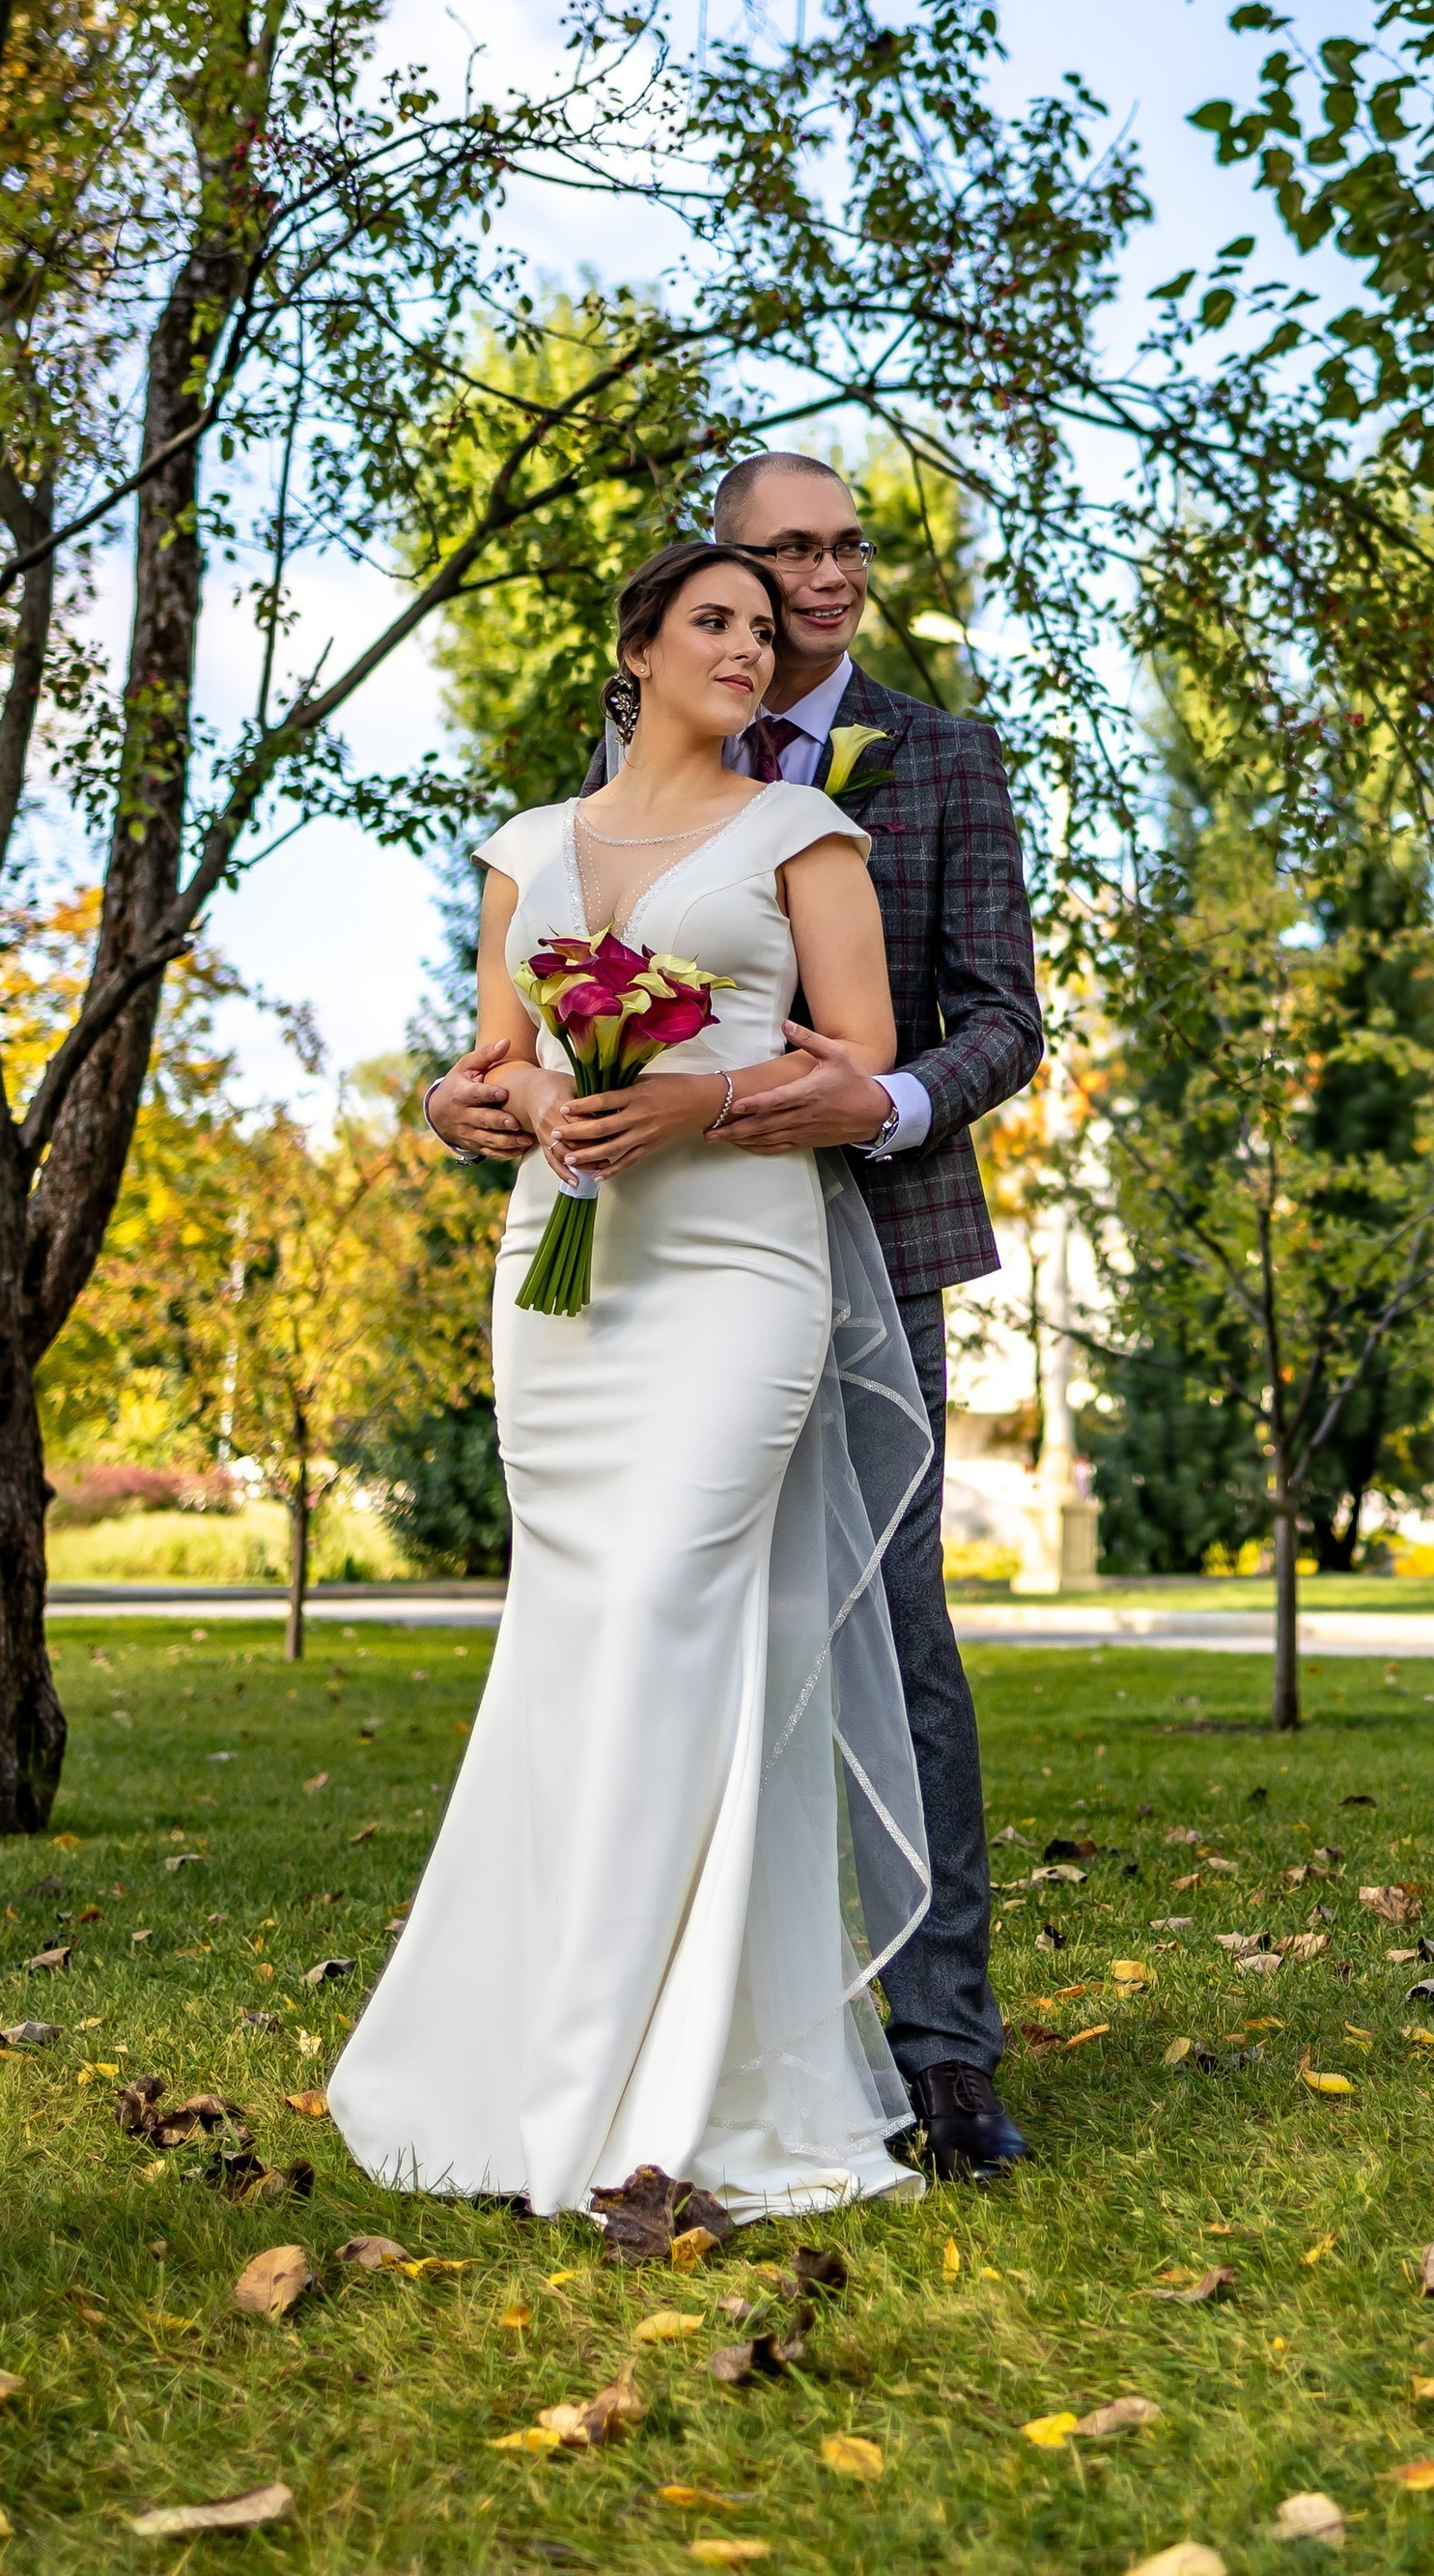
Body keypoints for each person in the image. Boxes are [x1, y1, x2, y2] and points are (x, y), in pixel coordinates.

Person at [421, 455, 1044, 2182]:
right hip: (611, 1264)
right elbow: (532, 1014)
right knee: (626, 1625)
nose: (819, 583)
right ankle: (617, 2019)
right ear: (685, 604)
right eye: (782, 555)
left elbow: (998, 1020)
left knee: (883, 1632)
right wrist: (473, 1098)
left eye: (841, 552)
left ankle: (943, 2051)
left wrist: (887, 1107)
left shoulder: (936, 761)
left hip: (851, 1246)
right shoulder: (617, 787)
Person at [332, 541, 938, 2217]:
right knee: (579, 1635)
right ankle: (531, 2055)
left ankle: (656, 2099)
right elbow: (494, 1069)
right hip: (563, 1285)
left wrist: (702, 1102)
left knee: (678, 1603)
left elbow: (862, 1063)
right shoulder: (529, 850)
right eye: (717, 623)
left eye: (767, 627)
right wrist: (501, 1110)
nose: (755, 646)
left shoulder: (805, 837)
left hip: (741, 1267)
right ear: (640, 649)